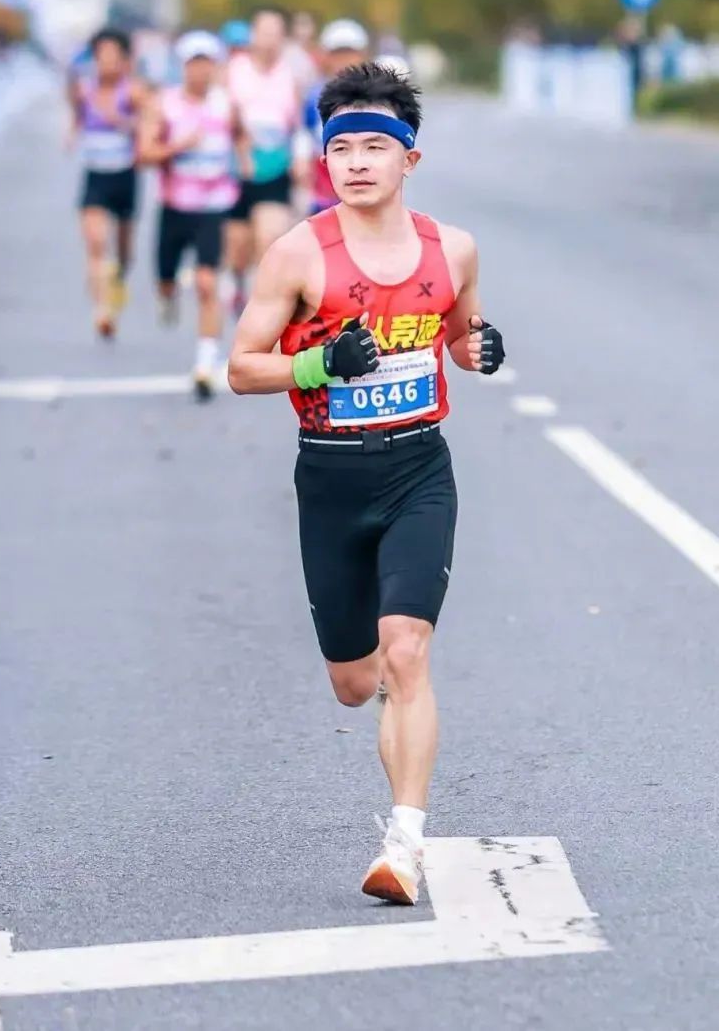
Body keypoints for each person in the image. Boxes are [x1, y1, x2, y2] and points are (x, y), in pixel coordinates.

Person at [228, 62, 506, 906]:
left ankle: (404, 844)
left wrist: (481, 350)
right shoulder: (297, 254)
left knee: (408, 650)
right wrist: (318, 359)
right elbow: (241, 367)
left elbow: (462, 334)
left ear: (408, 160)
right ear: (324, 161)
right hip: (332, 478)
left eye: (374, 147)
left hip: (420, 466)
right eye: (340, 147)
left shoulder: (451, 248)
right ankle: (383, 684)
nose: (356, 161)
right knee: (356, 682)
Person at [140, 31, 240, 401]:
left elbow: (241, 137)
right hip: (174, 206)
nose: (201, 70)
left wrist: (243, 163)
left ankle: (204, 363)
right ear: (183, 66)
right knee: (167, 281)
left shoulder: (226, 105)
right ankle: (166, 295)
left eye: (207, 62)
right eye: (193, 62)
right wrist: (177, 146)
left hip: (213, 207)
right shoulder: (163, 104)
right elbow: (144, 153)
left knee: (206, 283)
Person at [68, 27, 144, 340]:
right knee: (96, 243)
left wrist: (121, 122)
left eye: (114, 57)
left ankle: (120, 279)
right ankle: (102, 310)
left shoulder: (133, 92)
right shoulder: (83, 90)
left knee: (123, 251)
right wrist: (72, 131)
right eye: (101, 57)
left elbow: (148, 128)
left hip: (124, 174)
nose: (107, 63)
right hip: (95, 174)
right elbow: (77, 116)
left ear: (125, 61)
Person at [224, 6, 300, 315]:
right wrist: (240, 150)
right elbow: (221, 119)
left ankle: (262, 299)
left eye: (276, 33)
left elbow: (296, 125)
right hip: (235, 170)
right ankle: (237, 279)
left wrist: (300, 161)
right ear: (253, 35)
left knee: (269, 236)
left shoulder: (289, 74)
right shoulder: (234, 70)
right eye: (264, 32)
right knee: (238, 248)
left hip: (275, 166)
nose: (270, 40)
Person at [302, 19, 370, 214]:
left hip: (365, 188)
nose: (344, 60)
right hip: (324, 190)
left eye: (349, 53)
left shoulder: (376, 95)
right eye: (337, 54)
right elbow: (304, 133)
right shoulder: (314, 95)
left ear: (361, 55)